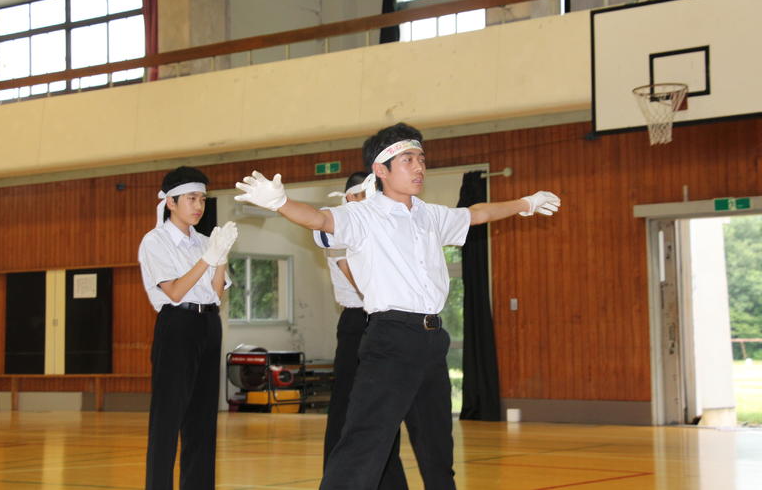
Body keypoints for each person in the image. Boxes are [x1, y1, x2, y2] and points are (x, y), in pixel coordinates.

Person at [235, 122, 560, 490]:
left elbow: (476, 214)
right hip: (390, 339)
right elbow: (320, 219)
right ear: (381, 169)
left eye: (421, 159)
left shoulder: (429, 214)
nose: (419, 167)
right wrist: (280, 202)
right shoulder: (362, 215)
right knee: (364, 444)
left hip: (431, 339)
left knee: (438, 449)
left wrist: (526, 203)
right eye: (408, 160)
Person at [138, 166, 238, 490]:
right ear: (171, 202)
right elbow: (176, 291)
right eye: (191, 199)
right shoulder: (155, 241)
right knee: (168, 417)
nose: (198, 206)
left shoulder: (205, 242)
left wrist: (221, 257)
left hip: (209, 322)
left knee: (203, 418)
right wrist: (209, 258)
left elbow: (217, 292)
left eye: (203, 199)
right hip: (177, 324)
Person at [317, 172, 408, 489]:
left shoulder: (377, 226)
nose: (365, 201)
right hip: (358, 322)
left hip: (384, 321)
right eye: (359, 195)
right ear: (348, 198)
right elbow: (360, 279)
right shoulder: (341, 227)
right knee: (345, 408)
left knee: (385, 409)